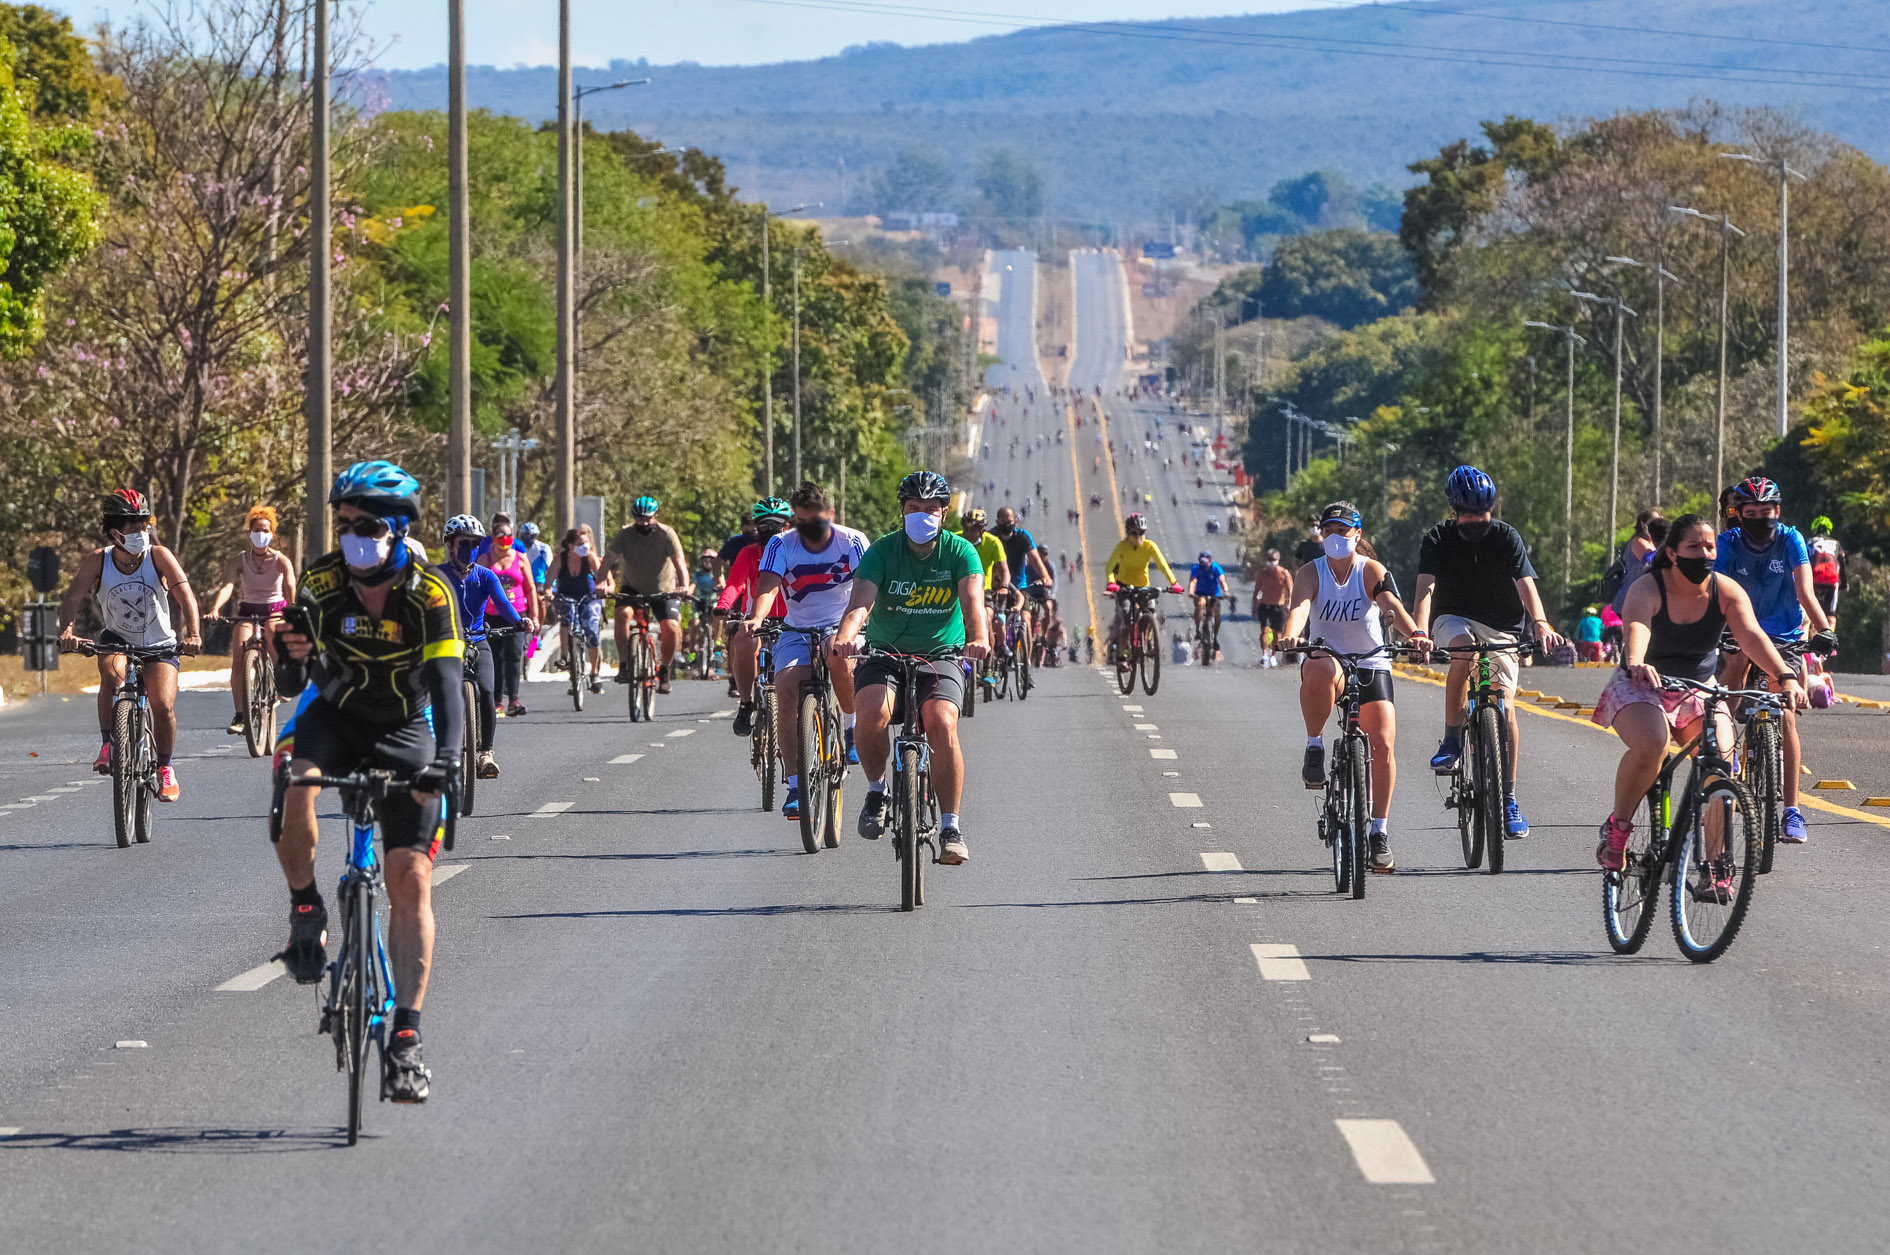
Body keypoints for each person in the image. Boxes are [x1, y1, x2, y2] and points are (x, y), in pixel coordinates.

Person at [271, 460, 466, 1104]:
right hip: (334, 718)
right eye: (344, 522)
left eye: (367, 523)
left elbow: (445, 685)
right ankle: (307, 907)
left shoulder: (428, 592)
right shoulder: (322, 583)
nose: (352, 533)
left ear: (399, 528)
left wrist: (448, 758)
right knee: (297, 781)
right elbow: (293, 687)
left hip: (405, 725)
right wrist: (289, 654)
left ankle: (406, 1041)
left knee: (410, 880)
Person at [1593, 514, 1806, 885]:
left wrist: (1784, 676)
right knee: (1652, 745)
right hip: (1644, 682)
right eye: (1694, 547)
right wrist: (1637, 662)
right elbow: (1637, 627)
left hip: (1698, 687)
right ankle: (1618, 828)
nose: (1704, 554)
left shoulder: (1726, 591)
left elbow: (1752, 637)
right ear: (1672, 553)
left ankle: (1715, 865)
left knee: (1722, 764)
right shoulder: (1648, 588)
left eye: (1710, 547)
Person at [833, 471, 990, 865]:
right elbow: (859, 604)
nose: (922, 516)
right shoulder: (883, 551)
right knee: (871, 712)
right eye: (914, 508)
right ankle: (876, 791)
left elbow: (973, 601)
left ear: (944, 513)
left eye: (930, 509)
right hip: (885, 652)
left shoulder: (960, 552)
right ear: (901, 510)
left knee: (942, 722)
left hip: (941, 654)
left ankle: (951, 827)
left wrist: (980, 638)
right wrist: (847, 636)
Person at [1412, 465, 1567, 840]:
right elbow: (1426, 590)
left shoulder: (1506, 537)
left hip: (1503, 626)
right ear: (1453, 510)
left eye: (1483, 514)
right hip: (1453, 617)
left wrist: (1541, 622)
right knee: (1463, 652)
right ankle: (1451, 739)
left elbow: (1525, 583)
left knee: (1507, 706)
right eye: (1468, 514)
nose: (1476, 521)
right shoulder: (1437, 538)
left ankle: (1509, 799)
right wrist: (1419, 629)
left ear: (1492, 509)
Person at [1279, 503, 1428, 872]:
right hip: (1329, 660)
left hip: (1371, 660)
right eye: (1328, 531)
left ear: (1357, 536)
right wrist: (1290, 635)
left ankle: (1378, 832)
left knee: (1385, 743)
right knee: (1318, 665)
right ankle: (1314, 747)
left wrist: (1418, 635)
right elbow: (1299, 608)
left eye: (1342, 531)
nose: (1334, 538)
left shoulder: (1370, 570)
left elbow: (1390, 604)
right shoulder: (1310, 573)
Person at [56, 489, 203, 801]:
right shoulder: (99, 560)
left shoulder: (159, 556)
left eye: (143, 524)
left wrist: (193, 633)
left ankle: (165, 767)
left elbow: (184, 594)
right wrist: (68, 630)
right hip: (117, 640)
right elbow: (72, 597)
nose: (140, 532)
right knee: (111, 676)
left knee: (162, 705)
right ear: (114, 532)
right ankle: (109, 743)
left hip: (160, 644)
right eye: (132, 526)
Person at [1713, 476, 1833, 845]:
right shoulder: (1728, 543)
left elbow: (1806, 592)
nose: (1760, 518)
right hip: (1740, 628)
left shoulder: (1791, 539)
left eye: (1766, 512)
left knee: (1786, 714)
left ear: (1777, 511)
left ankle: (1792, 810)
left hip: (1785, 634)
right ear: (1738, 513)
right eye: (1751, 513)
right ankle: (1728, 748)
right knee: (1734, 669)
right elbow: (1713, 587)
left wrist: (1824, 629)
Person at [742, 481, 870, 817]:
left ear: (830, 515)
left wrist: (850, 629)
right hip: (797, 629)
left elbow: (865, 589)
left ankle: (850, 727)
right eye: (801, 521)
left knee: (838, 656)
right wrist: (756, 618)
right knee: (785, 689)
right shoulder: (780, 545)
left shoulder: (852, 541)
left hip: (841, 625)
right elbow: (767, 588)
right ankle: (796, 784)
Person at [440, 515, 525, 778]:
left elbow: (504, 606)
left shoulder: (486, 576)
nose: (469, 549)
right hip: (447, 643)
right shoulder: (436, 576)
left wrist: (521, 622)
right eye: (463, 543)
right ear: (450, 545)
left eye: (475, 544)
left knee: (487, 691)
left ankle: (486, 752)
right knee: (437, 693)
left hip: (478, 639)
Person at [206, 505, 297, 736]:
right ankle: (240, 715)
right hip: (247, 611)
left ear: (272, 533)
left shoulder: (280, 560)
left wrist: (292, 610)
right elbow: (228, 586)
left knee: (272, 632)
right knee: (239, 654)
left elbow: (290, 585)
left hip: (274, 610)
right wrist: (216, 608)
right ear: (249, 532)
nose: (261, 534)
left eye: (265, 530)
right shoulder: (238, 560)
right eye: (256, 530)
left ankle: (280, 681)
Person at [719, 499, 792, 735]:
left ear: (787, 525)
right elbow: (735, 584)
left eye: (776, 525)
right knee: (743, 641)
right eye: (763, 525)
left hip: (794, 620)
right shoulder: (748, 553)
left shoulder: (798, 549)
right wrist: (723, 605)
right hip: (757, 619)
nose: (769, 531)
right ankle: (745, 703)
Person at [601, 495, 688, 693]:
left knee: (671, 627)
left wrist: (683, 585)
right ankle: (624, 664)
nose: (644, 523)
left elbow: (679, 562)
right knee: (622, 615)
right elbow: (608, 559)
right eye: (640, 519)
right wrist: (599, 583)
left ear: (656, 516)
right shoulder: (625, 534)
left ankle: (664, 669)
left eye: (648, 518)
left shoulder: (667, 534)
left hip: (663, 590)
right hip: (632, 587)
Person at [480, 518, 539, 717]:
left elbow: (530, 589)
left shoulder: (521, 559)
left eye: (508, 536)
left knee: (514, 656)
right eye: (500, 536)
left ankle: (514, 699)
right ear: (493, 537)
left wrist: (534, 616)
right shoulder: (485, 560)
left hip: (517, 615)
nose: (505, 540)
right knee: (495, 658)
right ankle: (496, 703)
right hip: (492, 615)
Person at [1103, 513, 1181, 658]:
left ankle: (1149, 640)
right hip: (1124, 586)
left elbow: (1162, 565)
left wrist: (1174, 582)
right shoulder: (1121, 547)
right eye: (1135, 533)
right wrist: (1111, 582)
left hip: (1143, 586)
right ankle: (1122, 655)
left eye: (1142, 532)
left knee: (1151, 611)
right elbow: (1109, 566)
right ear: (1128, 533)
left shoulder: (1150, 546)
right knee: (1126, 617)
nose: (1139, 536)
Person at [958, 508, 1010, 694]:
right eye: (965, 529)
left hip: (984, 591)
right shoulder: (956, 540)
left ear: (981, 529)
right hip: (956, 591)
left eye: (972, 529)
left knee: (986, 619)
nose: (967, 533)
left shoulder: (993, 543)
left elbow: (1004, 569)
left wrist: (1004, 585)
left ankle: (988, 667)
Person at [992, 506, 1053, 654]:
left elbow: (1034, 559)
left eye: (1009, 521)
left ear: (1015, 521)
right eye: (1002, 521)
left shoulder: (1022, 537)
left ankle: (1026, 666)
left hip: (1019, 585)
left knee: (1026, 619)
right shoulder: (991, 537)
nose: (1006, 524)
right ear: (997, 521)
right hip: (996, 585)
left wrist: (1045, 576)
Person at [553, 524, 605, 695]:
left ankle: (594, 673)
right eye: (581, 544)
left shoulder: (589, 557)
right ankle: (565, 657)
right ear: (570, 546)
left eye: (587, 543)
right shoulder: (561, 558)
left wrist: (602, 587)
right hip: (566, 596)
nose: (585, 547)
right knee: (567, 617)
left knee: (591, 630)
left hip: (588, 598)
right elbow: (548, 581)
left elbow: (602, 578)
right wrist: (546, 591)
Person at [1253, 548, 1292, 668]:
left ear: (1278, 560)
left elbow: (1290, 589)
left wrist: (1288, 604)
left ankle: (1273, 655)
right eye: (1269, 559)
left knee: (1277, 634)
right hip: (1265, 605)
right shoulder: (1263, 573)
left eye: (1273, 560)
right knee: (1264, 630)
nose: (1271, 562)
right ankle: (1264, 654)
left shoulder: (1284, 573)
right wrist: (1255, 605)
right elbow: (1256, 590)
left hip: (1278, 606)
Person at [1187, 549, 1227, 659]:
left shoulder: (1216, 567)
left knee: (1217, 616)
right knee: (1200, 603)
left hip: (1214, 594)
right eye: (1201, 562)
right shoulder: (1196, 568)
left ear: (1210, 561)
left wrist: (1226, 591)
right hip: (1200, 593)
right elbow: (1193, 581)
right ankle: (1197, 628)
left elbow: (1222, 580)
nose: (1203, 565)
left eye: (1205, 562)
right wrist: (1191, 591)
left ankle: (1215, 636)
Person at [1808, 515, 1846, 616]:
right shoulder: (1836, 543)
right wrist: (1844, 583)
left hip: (1812, 578)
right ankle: (1830, 630)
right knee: (1830, 614)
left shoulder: (1809, 542)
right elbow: (1842, 564)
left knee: (1807, 609)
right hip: (1831, 579)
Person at [517, 521, 553, 592]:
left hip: (539, 582)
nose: (527, 538)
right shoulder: (517, 548)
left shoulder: (543, 549)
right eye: (525, 535)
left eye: (531, 536)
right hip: (522, 582)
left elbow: (550, 568)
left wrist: (549, 586)